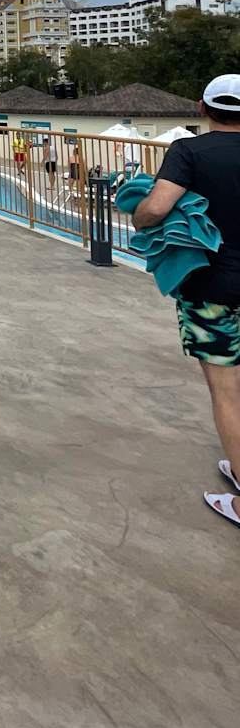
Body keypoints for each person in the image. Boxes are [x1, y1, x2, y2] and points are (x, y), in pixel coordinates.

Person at [133, 75, 240, 530]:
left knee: (226, 390)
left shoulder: (189, 151)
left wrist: (139, 218)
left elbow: (157, 207)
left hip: (213, 286)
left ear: (202, 108)